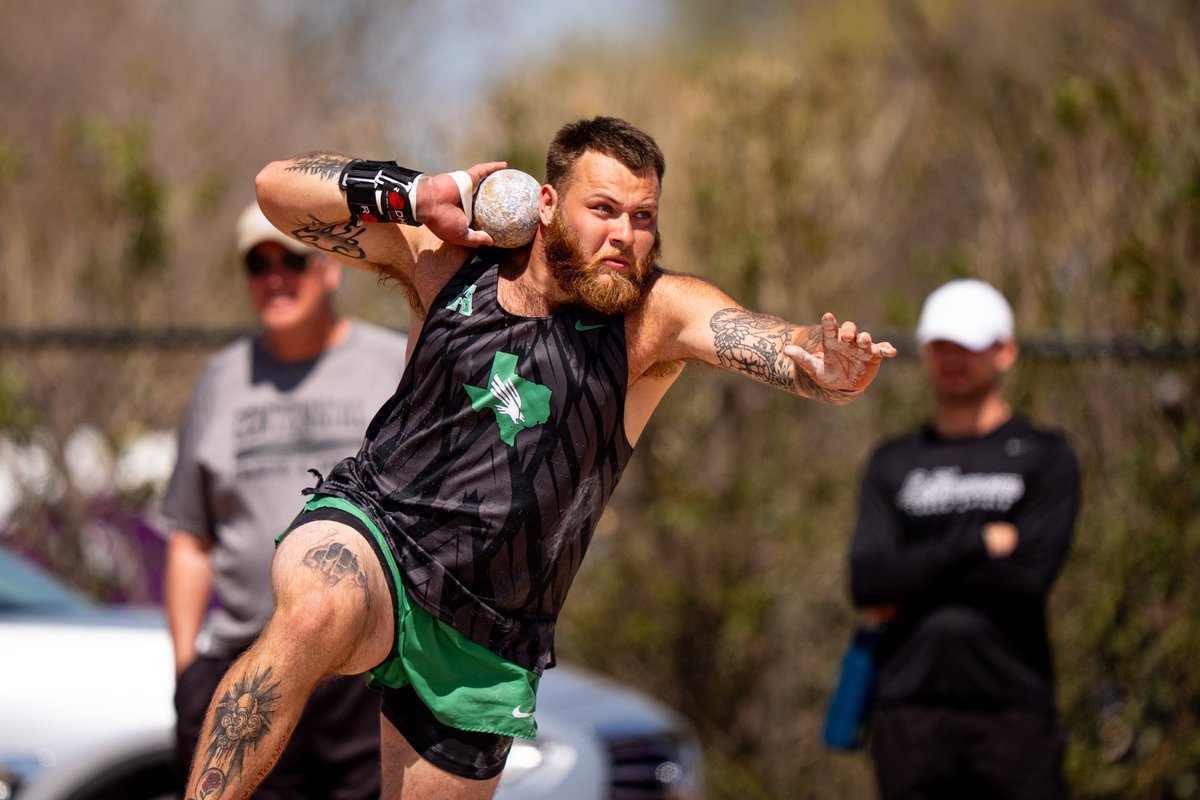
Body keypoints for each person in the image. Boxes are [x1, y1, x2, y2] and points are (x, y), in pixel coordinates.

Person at [183, 115, 897, 800]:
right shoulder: (450, 262)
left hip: (488, 626)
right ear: (548, 203)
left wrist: (819, 367)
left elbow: (758, 336)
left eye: (643, 217)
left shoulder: (652, 317)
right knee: (314, 608)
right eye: (605, 209)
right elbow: (276, 189)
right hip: (378, 537)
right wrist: (413, 191)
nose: (624, 235)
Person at [163, 202, 409, 798]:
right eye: (258, 262)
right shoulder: (222, 378)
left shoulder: (395, 361)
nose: (275, 276)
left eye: (292, 260)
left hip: (364, 674)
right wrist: (188, 669)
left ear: (330, 268)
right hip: (248, 667)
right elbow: (191, 537)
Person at [847, 278, 1080, 799]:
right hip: (909, 706)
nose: (953, 360)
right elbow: (868, 580)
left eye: (968, 347)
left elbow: (1027, 579)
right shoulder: (893, 462)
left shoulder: (1046, 456)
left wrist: (912, 576)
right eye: (941, 347)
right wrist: (976, 543)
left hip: (1013, 705)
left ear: (1005, 351)